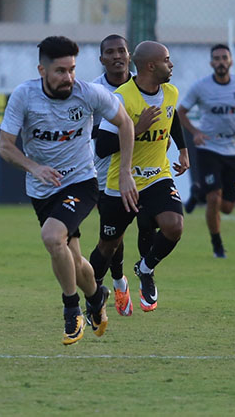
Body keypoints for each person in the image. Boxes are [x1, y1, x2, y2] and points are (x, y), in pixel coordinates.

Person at [0, 35, 137, 345]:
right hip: (42, 188)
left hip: (81, 183)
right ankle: (96, 297)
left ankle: (72, 311)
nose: (68, 77)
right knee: (73, 260)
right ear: (42, 71)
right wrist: (34, 167)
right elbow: (5, 147)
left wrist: (125, 171)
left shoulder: (89, 93)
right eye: (60, 71)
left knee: (51, 237)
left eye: (72, 69)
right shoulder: (24, 96)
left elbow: (125, 123)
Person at [95, 40, 190, 312]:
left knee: (174, 226)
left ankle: (145, 269)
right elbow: (102, 147)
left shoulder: (170, 92)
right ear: (151, 66)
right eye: (167, 60)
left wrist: (183, 150)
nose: (171, 65)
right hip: (121, 180)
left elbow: (172, 118)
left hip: (157, 175)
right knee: (108, 246)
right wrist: (135, 129)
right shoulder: (122, 98)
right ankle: (94, 294)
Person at [88, 34, 158, 317]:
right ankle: (117, 282)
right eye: (110, 52)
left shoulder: (144, 85)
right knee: (112, 235)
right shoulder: (93, 90)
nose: (117, 56)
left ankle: (140, 274)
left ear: (130, 56)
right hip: (105, 170)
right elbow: (92, 135)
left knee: (146, 224)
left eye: (122, 51)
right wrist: (130, 128)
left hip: (143, 169)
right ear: (102, 59)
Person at [178, 43, 235, 258]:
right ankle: (217, 245)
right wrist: (195, 132)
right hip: (208, 147)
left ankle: (197, 191)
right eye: (216, 58)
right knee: (214, 198)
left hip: (233, 149)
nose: (220, 62)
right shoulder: (200, 87)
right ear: (211, 63)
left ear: (230, 61)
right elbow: (181, 112)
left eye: (224, 58)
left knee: (227, 207)